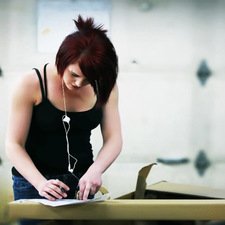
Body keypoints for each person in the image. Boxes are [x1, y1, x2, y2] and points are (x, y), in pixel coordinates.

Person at [5, 15, 122, 204]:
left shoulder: (105, 85)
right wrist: (40, 183)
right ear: (62, 59)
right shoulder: (31, 83)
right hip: (33, 183)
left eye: (88, 80)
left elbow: (114, 138)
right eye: (74, 74)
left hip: (81, 183)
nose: (78, 83)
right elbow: (13, 144)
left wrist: (96, 170)